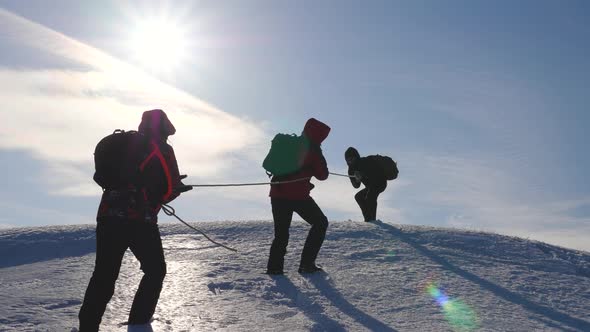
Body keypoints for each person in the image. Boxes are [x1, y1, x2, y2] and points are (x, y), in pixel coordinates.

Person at [79, 109, 192, 331]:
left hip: (108, 215)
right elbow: (168, 189)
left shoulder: (128, 143)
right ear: (165, 128)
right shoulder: (162, 148)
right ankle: (139, 324)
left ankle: (87, 327)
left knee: (104, 275)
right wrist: (176, 188)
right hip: (140, 219)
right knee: (155, 270)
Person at [266, 118, 331, 275]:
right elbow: (323, 175)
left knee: (281, 233)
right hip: (298, 196)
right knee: (320, 223)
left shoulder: (289, 142)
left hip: (278, 193)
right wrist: (318, 153)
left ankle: (274, 268)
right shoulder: (313, 149)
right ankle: (307, 265)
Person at [345, 147, 388, 222]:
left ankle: (371, 220)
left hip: (380, 182)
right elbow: (356, 186)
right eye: (348, 160)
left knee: (370, 196)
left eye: (352, 158)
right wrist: (357, 180)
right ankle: (368, 218)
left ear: (356, 157)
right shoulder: (351, 170)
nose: (350, 161)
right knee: (358, 196)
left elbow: (376, 174)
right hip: (370, 186)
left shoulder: (365, 161)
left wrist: (363, 174)